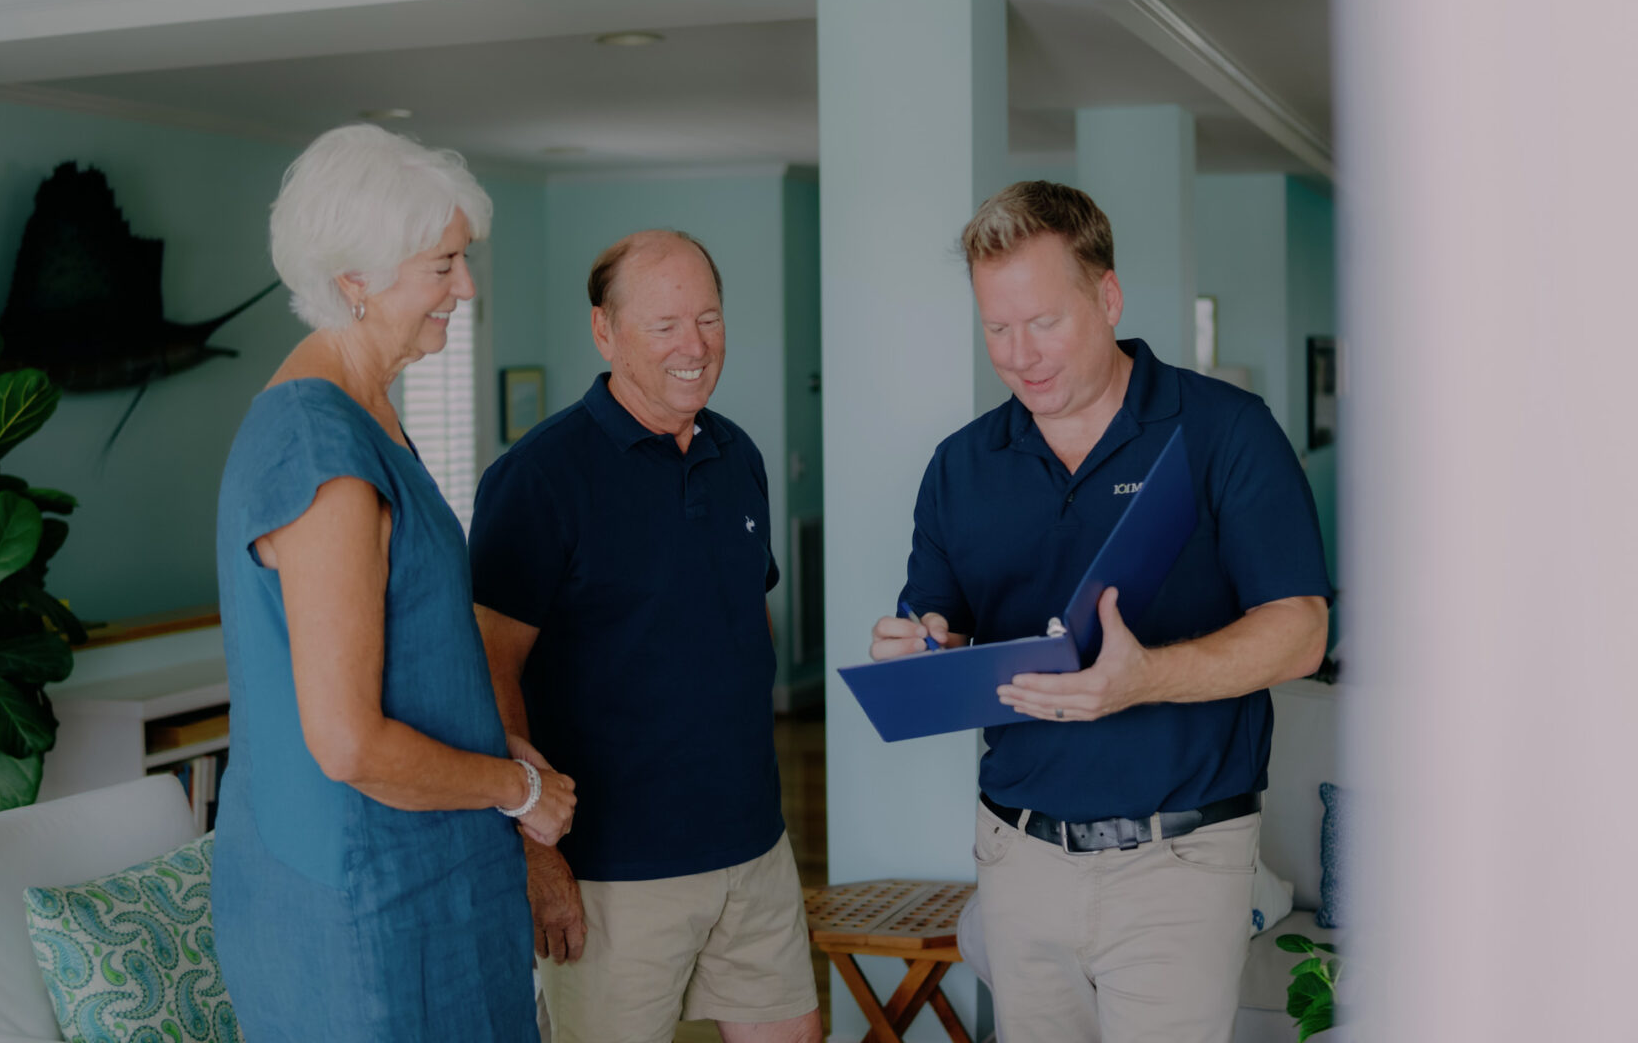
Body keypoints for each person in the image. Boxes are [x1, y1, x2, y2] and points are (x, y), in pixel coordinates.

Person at [868, 181, 1331, 1042]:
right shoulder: (960, 466)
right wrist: (917, 653)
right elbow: (941, 629)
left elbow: (1302, 630)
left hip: (1180, 859)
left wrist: (1146, 676)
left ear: (1107, 297)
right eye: (996, 328)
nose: (1020, 355)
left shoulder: (1227, 431)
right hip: (1016, 856)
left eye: (1044, 322)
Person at [213, 123, 576, 1043]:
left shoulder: (364, 413)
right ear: (355, 283)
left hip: (431, 875)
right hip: (362, 904)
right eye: (444, 264)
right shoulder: (318, 445)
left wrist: (500, 752)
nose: (468, 288)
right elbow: (347, 743)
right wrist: (517, 792)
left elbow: (414, 651)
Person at [469, 230, 822, 1043]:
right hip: (610, 873)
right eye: (663, 325)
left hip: (753, 848)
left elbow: (740, 622)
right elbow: (489, 674)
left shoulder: (738, 456)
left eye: (709, 318)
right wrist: (535, 854)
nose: (693, 347)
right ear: (605, 331)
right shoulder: (538, 477)